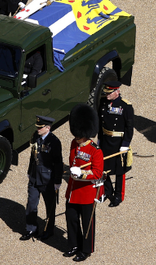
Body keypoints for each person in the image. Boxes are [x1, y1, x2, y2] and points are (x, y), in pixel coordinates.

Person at [64, 104, 103, 262]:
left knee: (87, 224)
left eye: (79, 137)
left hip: (87, 193)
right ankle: (74, 245)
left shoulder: (95, 151)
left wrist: (82, 173)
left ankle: (86, 250)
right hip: (73, 191)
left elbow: (98, 173)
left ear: (86, 134)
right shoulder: (74, 143)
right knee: (71, 218)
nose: (77, 139)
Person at [22, 115, 63, 241]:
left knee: (49, 207)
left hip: (47, 179)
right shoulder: (36, 136)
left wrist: (57, 181)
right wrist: (30, 171)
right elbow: (32, 156)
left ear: (48, 128)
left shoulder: (54, 142)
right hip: (34, 177)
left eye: (40, 128)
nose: (38, 129)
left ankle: (48, 230)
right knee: (31, 204)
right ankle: (31, 229)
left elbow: (58, 163)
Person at [97, 79, 133, 207]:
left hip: (118, 142)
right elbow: (101, 123)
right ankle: (107, 191)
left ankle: (118, 195)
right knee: (103, 169)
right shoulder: (103, 102)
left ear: (117, 91)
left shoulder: (126, 106)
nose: (107, 95)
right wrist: (99, 139)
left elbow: (129, 127)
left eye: (109, 93)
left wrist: (126, 144)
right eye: (106, 93)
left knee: (119, 171)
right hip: (106, 140)